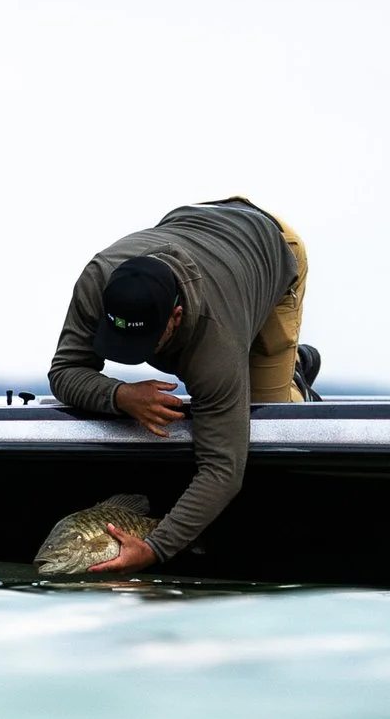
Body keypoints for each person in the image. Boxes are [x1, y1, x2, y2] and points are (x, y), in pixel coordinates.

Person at [47, 197, 310, 575]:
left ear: (176, 316)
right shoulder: (97, 280)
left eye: (144, 345)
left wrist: (153, 549)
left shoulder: (215, 341)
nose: (131, 357)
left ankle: (296, 373)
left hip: (273, 246)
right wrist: (120, 395)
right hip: (194, 221)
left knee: (266, 420)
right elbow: (65, 370)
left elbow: (223, 469)